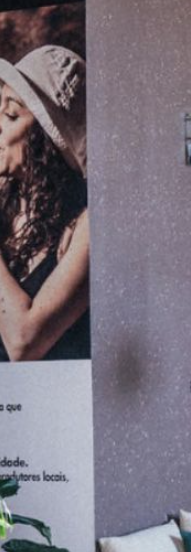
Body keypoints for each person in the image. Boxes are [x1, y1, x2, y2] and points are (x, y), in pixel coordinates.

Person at [0, 44, 89, 361]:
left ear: (45, 141)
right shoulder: (5, 202)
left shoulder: (87, 225)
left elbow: (23, 342)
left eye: (11, 115)